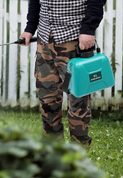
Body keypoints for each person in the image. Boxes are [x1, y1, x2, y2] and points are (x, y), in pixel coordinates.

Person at [20, 0, 107, 146]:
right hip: (45, 38)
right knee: (47, 96)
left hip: (73, 38)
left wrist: (88, 29)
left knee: (77, 97)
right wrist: (29, 28)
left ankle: (79, 147)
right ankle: (52, 146)